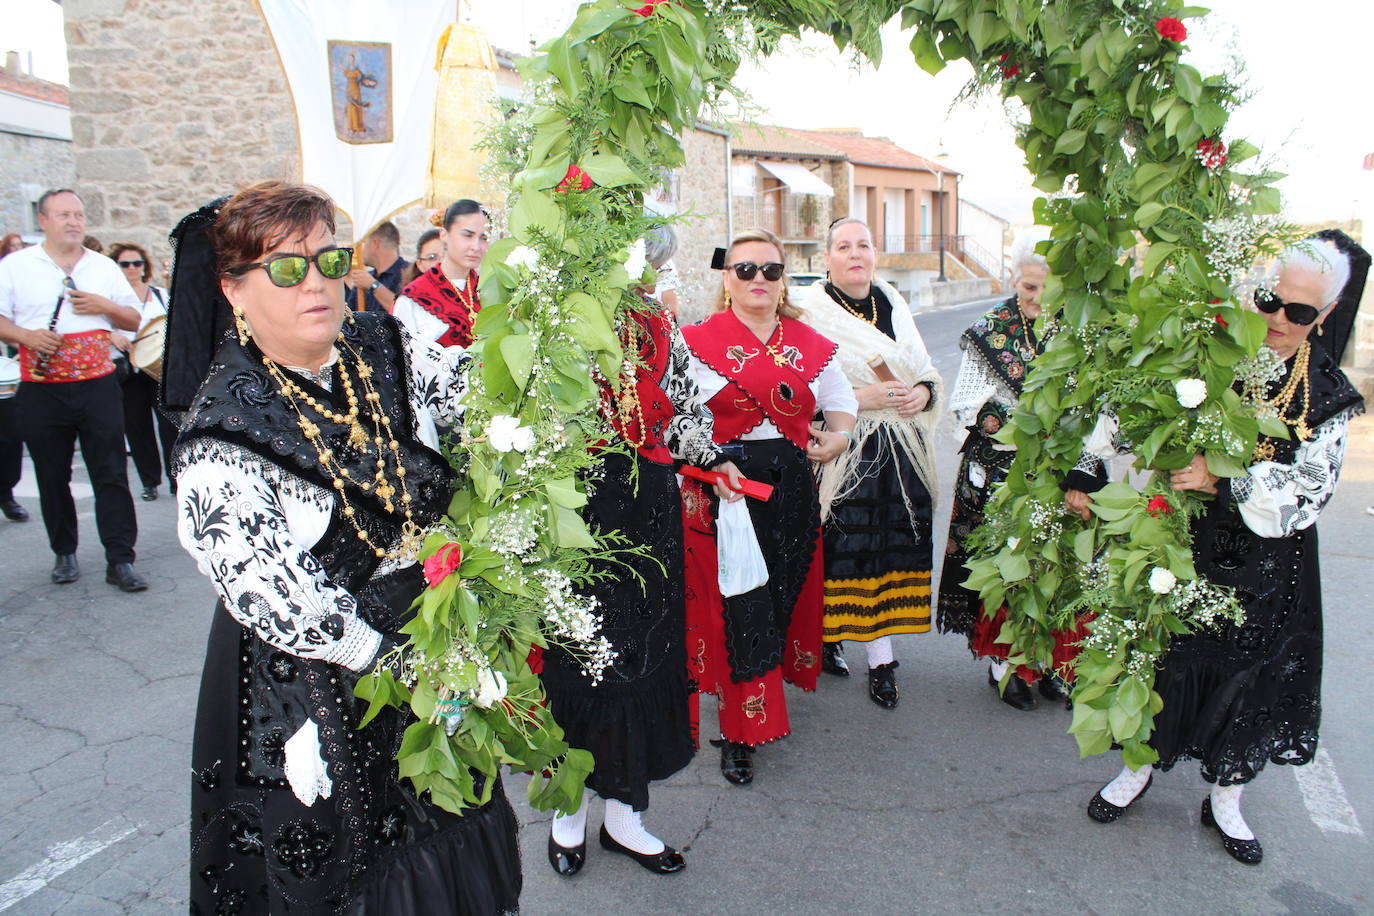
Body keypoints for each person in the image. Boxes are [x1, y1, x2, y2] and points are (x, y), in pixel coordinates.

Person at [164, 181, 521, 913]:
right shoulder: (221, 433)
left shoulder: (382, 342)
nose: (317, 283)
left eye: (329, 259)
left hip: (426, 632)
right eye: (287, 269)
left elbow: (475, 397)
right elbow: (276, 596)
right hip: (313, 676)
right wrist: (400, 664)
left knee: (451, 813)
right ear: (234, 290)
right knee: (344, 864)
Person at [1072, 234, 1365, 866]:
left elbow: (1313, 491)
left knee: (1250, 676)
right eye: (1270, 300)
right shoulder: (1210, 353)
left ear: (1327, 314)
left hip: (1269, 567)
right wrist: (1090, 464)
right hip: (1182, 543)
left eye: (1300, 312)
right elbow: (1134, 407)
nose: (1279, 319)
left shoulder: (1331, 392)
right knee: (1157, 654)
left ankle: (1227, 797)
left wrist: (1227, 480)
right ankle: (1138, 768)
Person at [543, 223, 744, 878]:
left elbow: (685, 407)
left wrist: (712, 457)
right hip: (576, 514)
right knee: (577, 661)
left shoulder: (658, 325)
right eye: (633, 259)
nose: (645, 274)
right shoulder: (553, 315)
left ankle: (626, 819)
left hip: (648, 509)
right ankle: (567, 814)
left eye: (650, 263)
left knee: (640, 659)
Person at [679, 227, 857, 785]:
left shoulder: (808, 342)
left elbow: (840, 401)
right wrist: (710, 464)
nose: (758, 279)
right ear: (726, 279)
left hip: (790, 488)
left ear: (784, 281)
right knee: (738, 607)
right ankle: (740, 730)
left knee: (777, 596)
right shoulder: (691, 341)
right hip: (722, 487)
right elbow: (674, 416)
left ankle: (753, 706)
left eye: (771, 270)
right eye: (745, 269)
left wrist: (840, 437)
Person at [796, 218, 942, 709]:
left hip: (901, 451)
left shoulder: (893, 301)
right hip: (845, 450)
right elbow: (798, 387)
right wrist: (864, 396)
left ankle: (875, 653)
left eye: (863, 244)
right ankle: (849, 645)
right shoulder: (809, 311)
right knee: (842, 550)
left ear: (875, 253)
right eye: (843, 246)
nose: (855, 253)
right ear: (827, 259)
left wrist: (922, 393)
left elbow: (923, 368)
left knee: (890, 551)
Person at [934, 227, 1062, 710]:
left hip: (1056, 469)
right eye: (1029, 287)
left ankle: (1047, 659)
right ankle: (1005, 663)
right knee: (1008, 566)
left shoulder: (1074, 329)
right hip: (999, 468)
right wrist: (1027, 424)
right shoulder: (992, 329)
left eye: (1047, 289)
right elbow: (967, 406)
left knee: (1056, 563)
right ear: (1014, 279)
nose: (1036, 298)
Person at [0, 189, 146, 591]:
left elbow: (133, 320)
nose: (74, 221)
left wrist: (105, 305)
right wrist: (26, 335)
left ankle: (120, 559)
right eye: (64, 214)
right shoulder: (16, 266)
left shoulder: (102, 266)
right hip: (42, 387)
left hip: (97, 384)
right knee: (51, 473)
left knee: (111, 472)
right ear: (43, 220)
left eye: (79, 215)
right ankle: (64, 551)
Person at [108, 242, 177, 500]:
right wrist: (112, 337)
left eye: (137, 263)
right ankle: (149, 481)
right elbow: (100, 328)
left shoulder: (159, 295)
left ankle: (175, 479)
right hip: (128, 368)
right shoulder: (111, 300)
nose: (132, 269)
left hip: (157, 368)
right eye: (125, 264)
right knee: (137, 427)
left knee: (169, 426)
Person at [394, 200, 488, 346]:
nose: (476, 246)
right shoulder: (413, 299)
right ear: (444, 235)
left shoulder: (489, 291)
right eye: (467, 235)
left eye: (483, 238)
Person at [345, 220, 409, 312]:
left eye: (363, 242)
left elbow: (405, 311)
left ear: (375, 243)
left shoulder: (409, 273)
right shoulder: (364, 278)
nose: (360, 249)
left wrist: (373, 285)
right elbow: (349, 316)